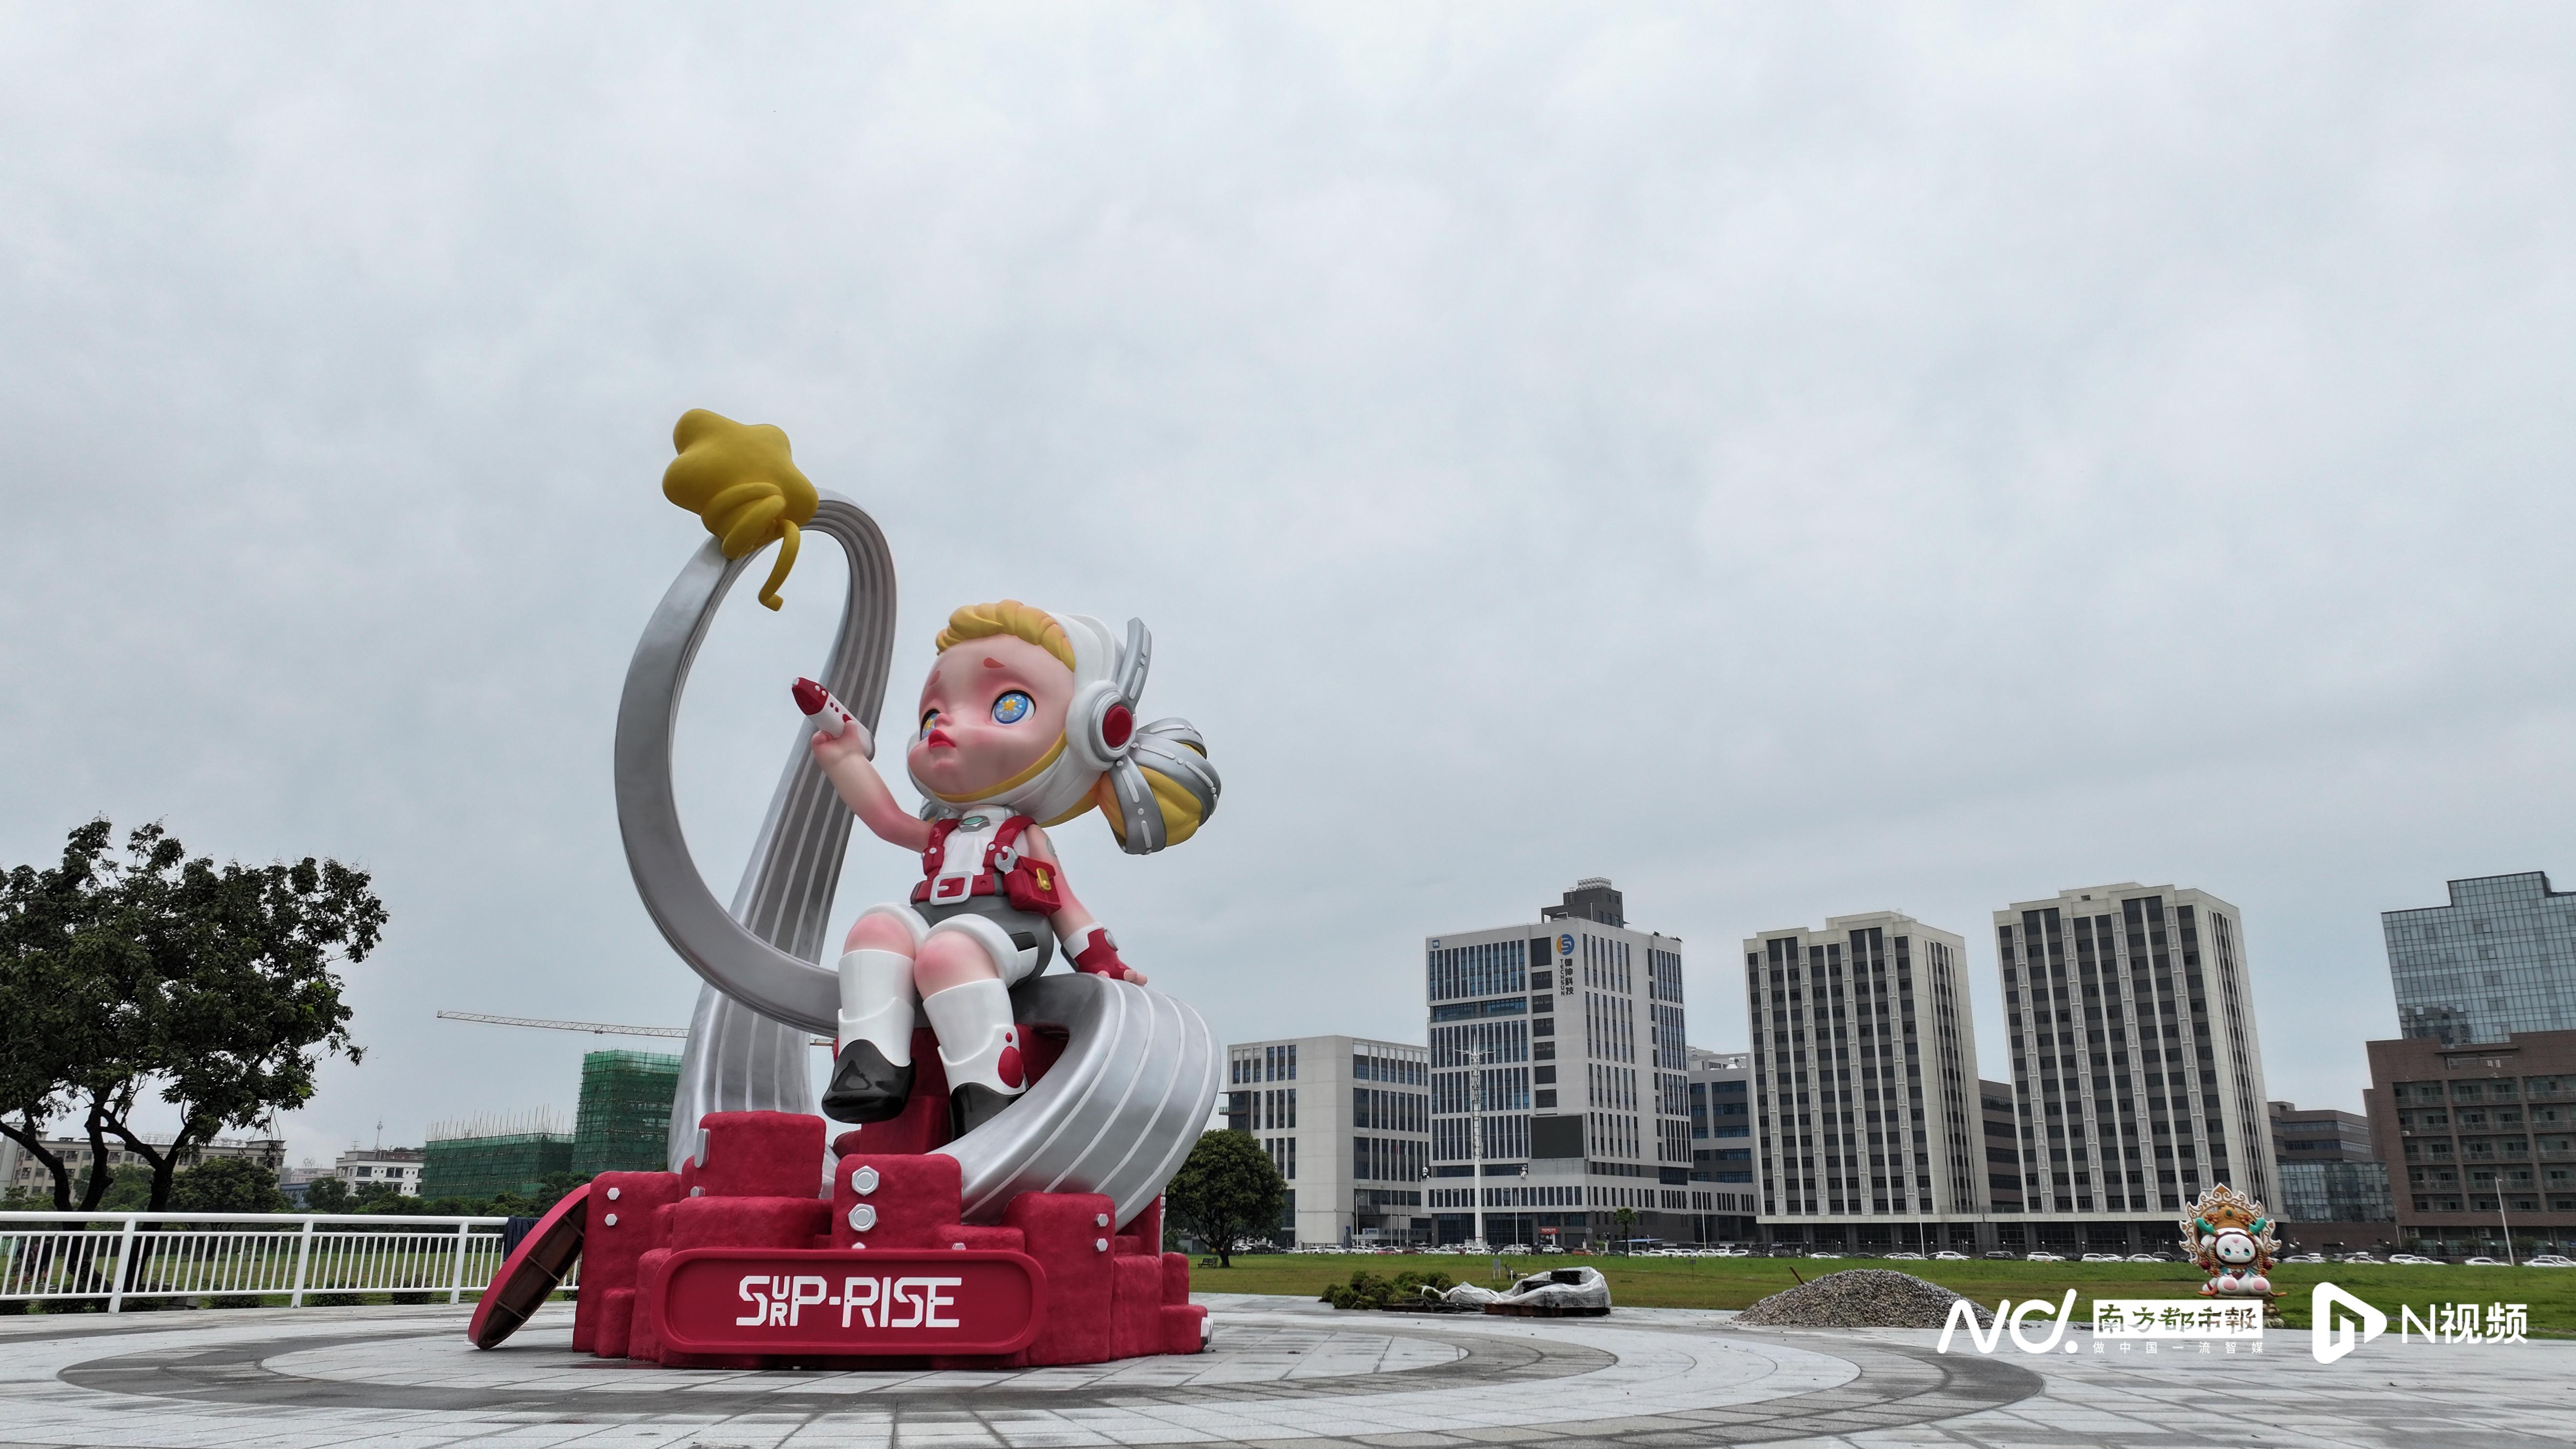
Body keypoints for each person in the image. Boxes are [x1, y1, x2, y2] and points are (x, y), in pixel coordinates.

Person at [804, 599, 1217, 1134]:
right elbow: (886, 820)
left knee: (949, 954)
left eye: (1008, 705)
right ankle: (871, 1062)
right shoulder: (944, 833)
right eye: (932, 714)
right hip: (936, 921)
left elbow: (1064, 903)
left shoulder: (1023, 836)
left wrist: (1103, 964)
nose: (943, 724)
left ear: (1092, 726)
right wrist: (845, 758)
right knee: (876, 927)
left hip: (1010, 933)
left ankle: (990, 1090)